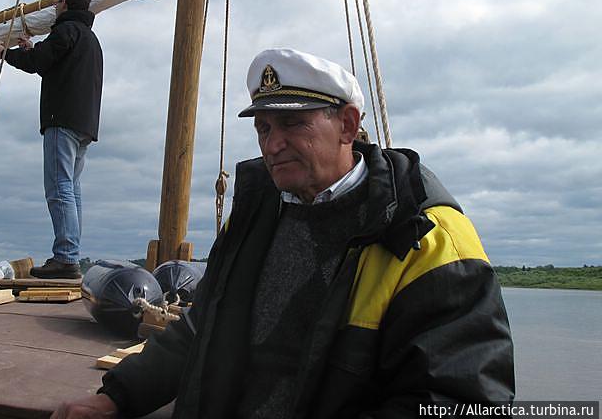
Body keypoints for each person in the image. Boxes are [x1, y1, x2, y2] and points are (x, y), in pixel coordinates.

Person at [52, 48, 514, 418]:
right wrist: (117, 397)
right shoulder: (254, 212)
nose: (272, 145)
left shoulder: (425, 235)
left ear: (348, 126)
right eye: (264, 128)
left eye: (293, 123)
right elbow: (201, 328)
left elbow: (463, 399)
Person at [0, 0, 102, 280]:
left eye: (57, 2)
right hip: (84, 125)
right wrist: (32, 48)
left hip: (62, 120)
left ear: (64, 3)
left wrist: (6, 54)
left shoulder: (65, 30)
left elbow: (39, 62)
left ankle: (65, 258)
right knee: (72, 190)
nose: (54, 7)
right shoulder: (89, 38)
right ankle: (70, 255)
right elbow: (50, 60)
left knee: (59, 188)